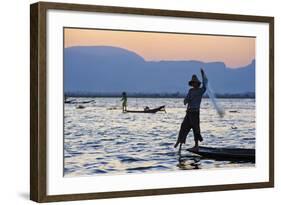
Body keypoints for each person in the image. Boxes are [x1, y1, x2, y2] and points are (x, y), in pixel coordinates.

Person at [174, 68, 208, 153]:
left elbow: (205, 84)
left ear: (197, 84)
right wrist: (185, 101)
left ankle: (196, 146)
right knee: (183, 126)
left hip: (195, 113)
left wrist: (203, 74)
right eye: (193, 83)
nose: (194, 84)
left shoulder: (201, 91)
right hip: (189, 112)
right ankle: (180, 141)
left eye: (195, 83)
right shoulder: (191, 90)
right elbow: (186, 99)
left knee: (196, 129)